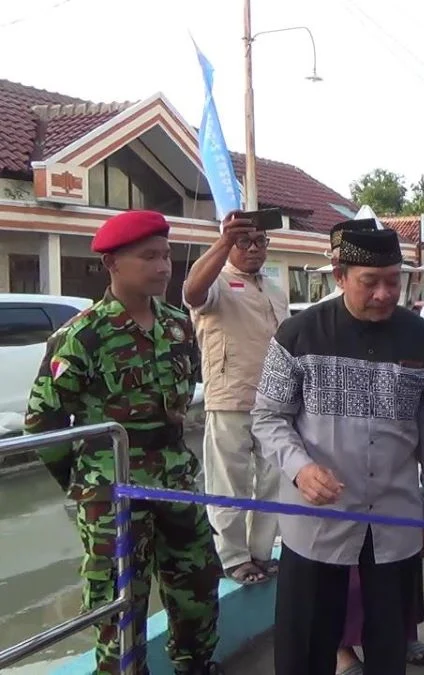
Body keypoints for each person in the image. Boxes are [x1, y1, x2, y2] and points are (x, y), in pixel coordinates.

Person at [252, 227, 424, 675]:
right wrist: (300, 469)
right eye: (371, 281)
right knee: (305, 647)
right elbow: (267, 417)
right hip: (317, 522)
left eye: (394, 280)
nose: (385, 294)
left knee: (389, 648)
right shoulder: (298, 335)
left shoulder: (421, 340)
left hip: (394, 518)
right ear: (341, 276)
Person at [25, 210, 222, 675]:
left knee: (196, 585)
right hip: (113, 491)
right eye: (148, 257)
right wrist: (84, 482)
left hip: (175, 480)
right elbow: (44, 422)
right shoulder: (82, 337)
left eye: (167, 255)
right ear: (112, 264)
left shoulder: (177, 326)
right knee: (118, 601)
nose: (163, 266)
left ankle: (196, 665)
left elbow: (182, 397)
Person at [182, 211, 289, 586]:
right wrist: (224, 241)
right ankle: (233, 557)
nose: (254, 249)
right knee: (229, 482)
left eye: (261, 242)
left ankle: (261, 552)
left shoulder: (274, 290)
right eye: (245, 242)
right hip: (230, 397)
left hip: (275, 403)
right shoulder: (218, 284)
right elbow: (192, 291)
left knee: (275, 480)